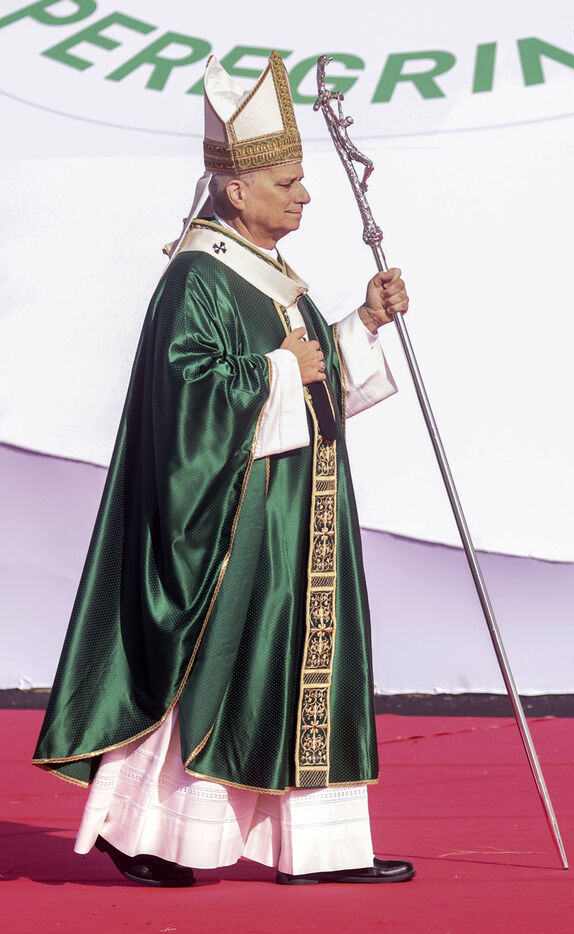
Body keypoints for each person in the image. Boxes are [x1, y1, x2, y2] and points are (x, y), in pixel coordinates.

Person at [33, 51, 414, 887]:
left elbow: (311, 377)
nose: (304, 195)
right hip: (230, 525)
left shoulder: (274, 278)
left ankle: (319, 848)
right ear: (236, 192)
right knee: (210, 665)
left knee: (298, 665)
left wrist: (360, 325)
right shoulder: (197, 277)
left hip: (298, 515)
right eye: (286, 182)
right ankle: (148, 833)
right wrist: (278, 370)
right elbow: (184, 395)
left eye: (301, 181)